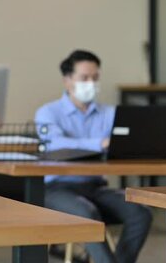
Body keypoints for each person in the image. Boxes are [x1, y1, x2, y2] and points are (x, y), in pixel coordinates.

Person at [35, 50, 152, 263]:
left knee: (141, 213)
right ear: (67, 80)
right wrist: (101, 143)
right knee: (87, 214)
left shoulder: (110, 113)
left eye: (95, 78)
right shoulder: (48, 112)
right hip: (56, 189)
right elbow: (55, 144)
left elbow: (127, 143)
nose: (91, 83)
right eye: (84, 78)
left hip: (96, 187)